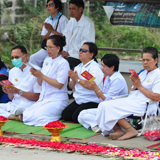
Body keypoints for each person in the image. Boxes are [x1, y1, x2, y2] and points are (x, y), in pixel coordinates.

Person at [96, 47, 160, 140]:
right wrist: (134, 86)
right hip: (132, 100)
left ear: (156, 60)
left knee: (110, 107)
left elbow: (156, 97)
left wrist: (140, 86)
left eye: (148, 60)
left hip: (145, 104)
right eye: (143, 60)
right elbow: (132, 92)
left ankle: (130, 130)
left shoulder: (158, 75)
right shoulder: (143, 73)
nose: (145, 62)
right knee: (103, 105)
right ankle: (118, 130)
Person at [22, 35, 70, 126]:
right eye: (46, 47)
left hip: (57, 99)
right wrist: (37, 76)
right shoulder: (47, 60)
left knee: (37, 116)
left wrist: (42, 76)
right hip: (44, 98)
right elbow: (40, 83)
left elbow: (59, 84)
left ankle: (55, 117)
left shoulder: (63, 63)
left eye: (50, 47)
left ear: (58, 48)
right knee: (26, 114)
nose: (48, 50)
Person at [78, 54, 128, 132]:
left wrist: (95, 88)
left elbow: (107, 100)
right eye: (102, 66)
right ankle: (97, 126)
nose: (102, 69)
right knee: (82, 114)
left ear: (112, 67)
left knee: (85, 115)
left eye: (104, 66)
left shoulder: (118, 79)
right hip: (104, 108)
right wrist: (94, 88)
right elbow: (101, 97)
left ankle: (102, 126)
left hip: (114, 111)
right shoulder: (108, 77)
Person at [61, 42, 104, 123]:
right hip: (79, 100)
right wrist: (73, 79)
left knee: (75, 117)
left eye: (84, 50)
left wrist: (77, 79)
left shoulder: (93, 68)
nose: (80, 52)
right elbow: (71, 86)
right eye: (80, 50)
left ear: (91, 54)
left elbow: (91, 85)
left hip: (91, 100)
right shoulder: (78, 67)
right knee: (65, 115)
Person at [0, 46, 41, 120]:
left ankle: (13, 115)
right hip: (14, 104)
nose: (14, 60)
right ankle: (14, 117)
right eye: (12, 58)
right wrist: (9, 91)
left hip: (29, 104)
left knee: (19, 109)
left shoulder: (36, 71)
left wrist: (18, 91)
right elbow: (12, 98)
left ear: (25, 56)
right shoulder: (12, 71)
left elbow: (38, 97)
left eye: (17, 57)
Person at [29, 0, 68, 67]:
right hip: (46, 47)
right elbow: (44, 37)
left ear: (57, 7)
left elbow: (65, 37)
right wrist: (49, 31)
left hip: (57, 48)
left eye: (51, 5)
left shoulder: (63, 20)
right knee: (33, 58)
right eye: (47, 5)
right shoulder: (47, 20)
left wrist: (52, 30)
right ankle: (37, 76)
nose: (48, 7)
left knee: (48, 62)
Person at [62, 0, 95, 70]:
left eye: (73, 9)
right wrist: (64, 51)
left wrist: (69, 53)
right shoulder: (71, 22)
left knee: (65, 64)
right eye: (70, 9)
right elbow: (66, 38)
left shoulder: (88, 23)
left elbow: (85, 44)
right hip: (69, 55)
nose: (71, 11)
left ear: (80, 9)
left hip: (80, 56)